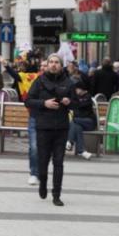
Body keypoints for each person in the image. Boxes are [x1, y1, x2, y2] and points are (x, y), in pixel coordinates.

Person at [25, 54, 73, 206]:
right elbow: (28, 101)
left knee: (58, 162)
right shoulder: (39, 81)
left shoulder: (68, 82)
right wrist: (44, 103)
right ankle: (43, 183)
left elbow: (77, 103)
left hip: (61, 127)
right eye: (51, 62)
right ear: (47, 65)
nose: (53, 65)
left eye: (56, 62)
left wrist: (69, 101)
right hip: (43, 126)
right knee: (43, 161)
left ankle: (56, 195)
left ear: (61, 65)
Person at [65, 79, 95, 159]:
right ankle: (81, 151)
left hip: (89, 122)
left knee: (74, 121)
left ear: (81, 89)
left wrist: (72, 102)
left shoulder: (88, 97)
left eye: (77, 88)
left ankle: (69, 141)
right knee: (77, 127)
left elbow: (80, 105)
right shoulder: (77, 97)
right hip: (80, 122)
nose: (75, 90)